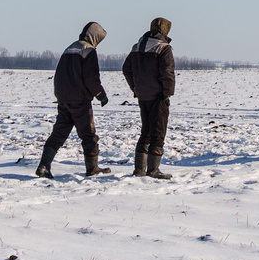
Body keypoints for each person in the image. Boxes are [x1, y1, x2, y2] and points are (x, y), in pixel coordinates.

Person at [37, 22, 109, 178]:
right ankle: (92, 168)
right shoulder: (88, 50)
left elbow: (60, 73)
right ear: (94, 36)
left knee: (58, 133)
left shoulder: (69, 48)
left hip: (64, 98)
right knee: (88, 134)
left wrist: (60, 95)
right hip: (80, 99)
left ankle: (43, 166)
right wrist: (100, 95)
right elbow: (91, 78)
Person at [121, 17, 176, 179]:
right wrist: (167, 92)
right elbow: (167, 72)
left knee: (145, 132)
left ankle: (139, 170)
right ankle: (153, 170)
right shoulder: (164, 48)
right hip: (158, 96)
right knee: (158, 132)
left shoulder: (137, 47)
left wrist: (135, 88)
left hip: (142, 96)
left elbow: (126, 69)